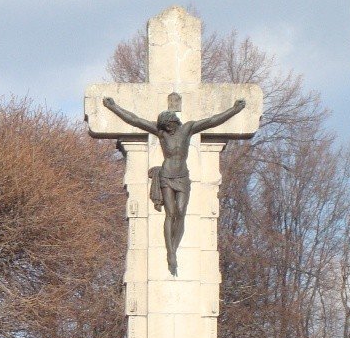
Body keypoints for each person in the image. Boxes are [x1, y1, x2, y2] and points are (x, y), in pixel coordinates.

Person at [103, 96, 245, 275]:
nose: (167, 129)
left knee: (181, 212)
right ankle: (170, 253)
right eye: (164, 127)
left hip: (182, 177)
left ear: (174, 122)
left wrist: (235, 110)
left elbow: (212, 121)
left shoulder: (187, 129)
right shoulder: (161, 133)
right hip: (166, 176)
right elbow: (135, 120)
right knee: (170, 214)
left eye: (168, 126)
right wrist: (113, 107)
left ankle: (174, 248)